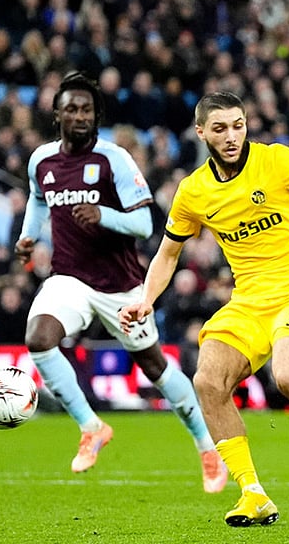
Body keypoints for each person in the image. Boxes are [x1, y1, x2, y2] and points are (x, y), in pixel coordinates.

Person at [118, 91, 289, 527]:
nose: (231, 136)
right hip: (248, 298)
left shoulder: (276, 161)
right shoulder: (193, 192)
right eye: (220, 128)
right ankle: (253, 493)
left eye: (238, 125)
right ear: (201, 133)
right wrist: (145, 299)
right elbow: (168, 254)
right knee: (208, 381)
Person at [15, 71, 226, 493]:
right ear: (57, 114)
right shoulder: (42, 160)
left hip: (121, 285)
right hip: (70, 278)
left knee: (154, 367)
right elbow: (39, 200)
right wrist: (29, 235)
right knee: (38, 339)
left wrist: (103, 216)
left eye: (87, 110)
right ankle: (91, 427)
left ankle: (207, 446)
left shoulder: (113, 159)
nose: (79, 116)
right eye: (71, 108)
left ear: (97, 116)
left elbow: (146, 222)